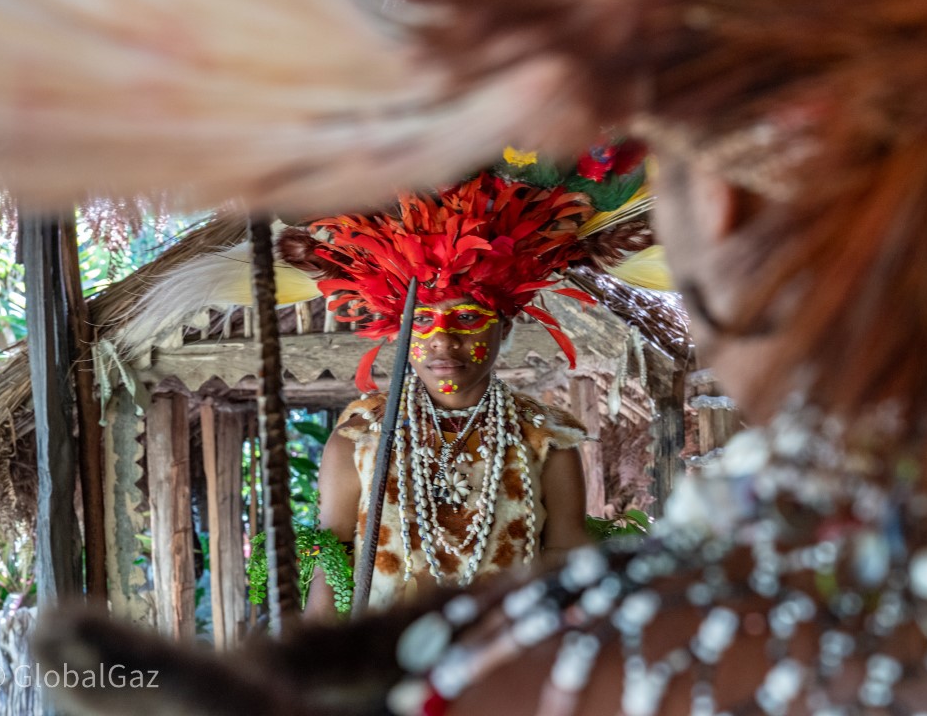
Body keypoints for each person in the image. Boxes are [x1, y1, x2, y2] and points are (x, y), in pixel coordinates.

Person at [23, 0, 927, 714]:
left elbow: (567, 567)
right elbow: (331, 564)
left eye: (470, 334)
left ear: (718, 202)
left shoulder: (568, 599)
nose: (448, 352)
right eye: (434, 336)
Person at [276, 150, 652, 613]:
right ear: (401, 331)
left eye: (468, 318)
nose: (443, 341)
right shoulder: (358, 439)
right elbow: (332, 558)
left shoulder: (546, 439)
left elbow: (565, 555)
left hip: (500, 658)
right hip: (384, 657)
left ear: (505, 327)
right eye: (424, 323)